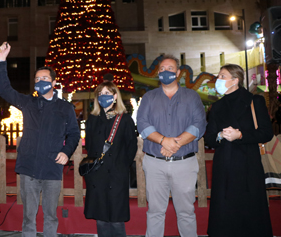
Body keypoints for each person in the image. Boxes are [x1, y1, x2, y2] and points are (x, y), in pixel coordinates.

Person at [0, 42, 80, 237]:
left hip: (52, 169)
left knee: (51, 216)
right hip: (29, 169)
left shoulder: (65, 108)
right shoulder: (28, 103)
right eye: (37, 78)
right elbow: (4, 90)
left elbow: (74, 134)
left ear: (53, 82)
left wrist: (66, 152)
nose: (40, 81)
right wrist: (1, 60)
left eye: (44, 78)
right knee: (28, 216)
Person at [136, 54, 206, 237]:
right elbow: (142, 123)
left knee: (186, 212)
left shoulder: (192, 97)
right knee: (155, 212)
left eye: (170, 69)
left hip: (184, 163)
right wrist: (163, 140)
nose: (165, 72)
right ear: (157, 73)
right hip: (154, 163)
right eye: (162, 69)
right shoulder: (149, 98)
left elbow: (199, 124)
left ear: (178, 73)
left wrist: (176, 143)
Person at [205, 64, 273, 237]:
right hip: (224, 167)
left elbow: (266, 133)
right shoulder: (217, 106)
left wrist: (240, 135)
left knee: (249, 212)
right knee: (225, 213)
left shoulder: (254, 101)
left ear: (235, 80)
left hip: (248, 165)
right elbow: (209, 138)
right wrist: (220, 135)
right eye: (218, 76)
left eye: (222, 76)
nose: (217, 80)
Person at [83, 81, 137, 237]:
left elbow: (131, 147)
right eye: (100, 94)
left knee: (116, 218)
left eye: (107, 93)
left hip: (116, 174)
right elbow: (90, 146)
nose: (103, 96)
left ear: (115, 96)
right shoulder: (92, 119)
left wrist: (121, 167)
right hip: (97, 175)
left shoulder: (124, 119)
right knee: (100, 217)